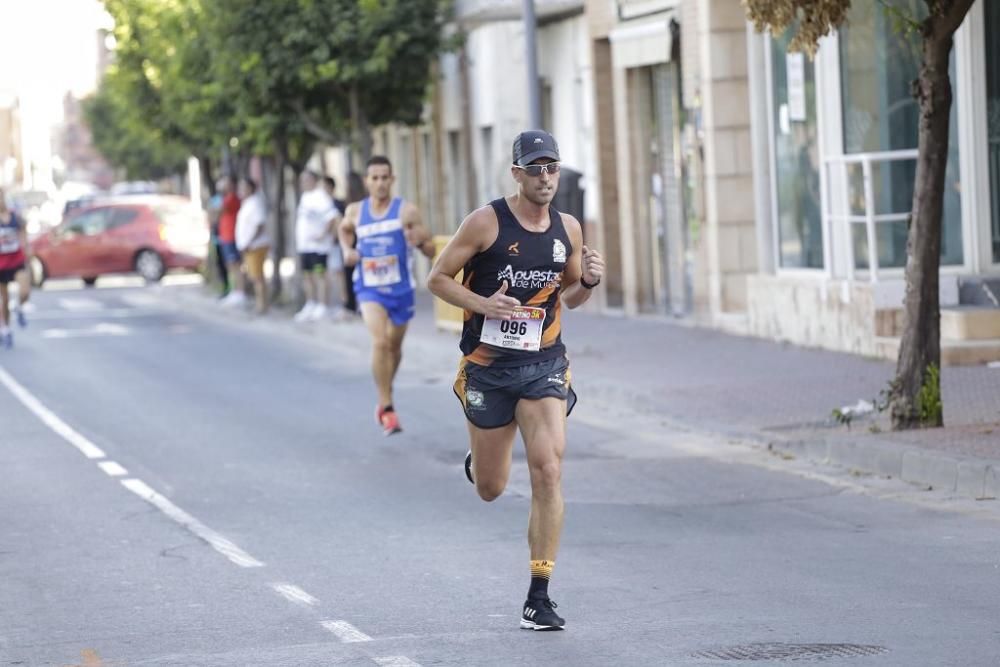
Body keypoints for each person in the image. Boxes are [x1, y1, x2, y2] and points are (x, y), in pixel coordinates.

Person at [426, 130, 605, 631]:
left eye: (552, 167)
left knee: (548, 468)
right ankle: (481, 458)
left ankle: (538, 595)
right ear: (517, 174)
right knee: (491, 487)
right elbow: (437, 278)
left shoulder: (568, 228)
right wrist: (485, 304)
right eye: (535, 168)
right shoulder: (485, 222)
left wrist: (587, 281)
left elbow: (568, 298)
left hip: (544, 363)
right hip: (488, 367)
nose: (545, 177)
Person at [338, 156, 435, 435]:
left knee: (394, 348)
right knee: (380, 343)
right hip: (369, 288)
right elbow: (343, 229)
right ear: (367, 181)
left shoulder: (406, 211)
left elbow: (429, 248)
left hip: (401, 290)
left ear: (392, 180)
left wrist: (420, 243)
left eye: (384, 177)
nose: (380, 183)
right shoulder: (356, 211)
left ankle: (385, 389)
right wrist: (348, 250)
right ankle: (387, 405)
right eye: (374, 178)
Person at [294, 171, 341, 322]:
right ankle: (311, 303)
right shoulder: (305, 197)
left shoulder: (321, 197)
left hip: (318, 246)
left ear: (314, 180)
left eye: (307, 180)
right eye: (302, 180)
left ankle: (323, 305)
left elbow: (333, 217)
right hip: (305, 245)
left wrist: (322, 234)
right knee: (308, 275)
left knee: (320, 274)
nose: (304, 183)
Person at [0, 188, 31, 348]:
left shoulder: (14, 217)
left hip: (16, 261)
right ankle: (5, 330)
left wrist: (27, 252)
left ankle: (19, 307)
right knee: (3, 300)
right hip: (1, 265)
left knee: (25, 292)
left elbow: (24, 234)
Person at [234, 177, 270, 315]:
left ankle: (262, 306)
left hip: (256, 246)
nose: (241, 191)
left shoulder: (255, 203)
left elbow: (259, 225)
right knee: (254, 276)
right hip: (249, 246)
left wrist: (249, 242)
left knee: (257, 276)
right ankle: (259, 303)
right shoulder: (247, 203)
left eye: (243, 187)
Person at [323, 176, 356, 315]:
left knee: (341, 275)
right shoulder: (321, 203)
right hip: (327, 246)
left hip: (338, 245)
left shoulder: (337, 204)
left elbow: (341, 225)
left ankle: (346, 303)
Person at [217, 177, 246, 307]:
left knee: (235, 265)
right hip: (225, 236)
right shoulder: (225, 198)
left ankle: (240, 292)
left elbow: (217, 211)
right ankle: (234, 291)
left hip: (232, 236)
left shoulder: (232, 198)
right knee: (230, 266)